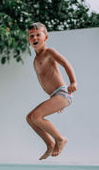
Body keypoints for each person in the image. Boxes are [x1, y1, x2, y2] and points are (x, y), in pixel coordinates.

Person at [26, 22, 77, 160]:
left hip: (63, 93)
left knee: (36, 116)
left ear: (46, 38)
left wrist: (73, 82)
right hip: (55, 96)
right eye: (32, 36)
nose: (35, 38)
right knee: (30, 118)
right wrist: (54, 103)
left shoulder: (49, 52)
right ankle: (49, 143)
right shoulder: (36, 59)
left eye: (38, 35)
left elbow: (66, 63)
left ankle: (60, 139)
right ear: (28, 39)